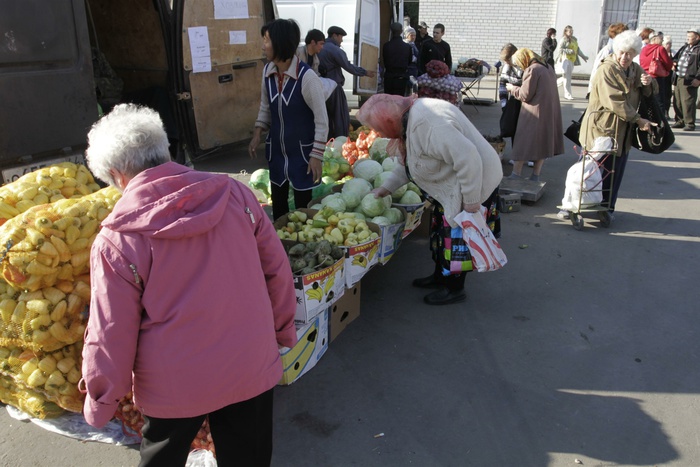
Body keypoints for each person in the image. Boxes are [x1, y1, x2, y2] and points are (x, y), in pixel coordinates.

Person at [80, 104, 298, 466]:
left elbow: (110, 332)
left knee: (163, 458)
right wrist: (283, 329)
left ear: (118, 176)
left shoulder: (117, 241)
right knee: (250, 457)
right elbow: (277, 271)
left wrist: (101, 401)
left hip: (175, 386)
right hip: (250, 363)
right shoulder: (237, 195)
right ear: (166, 151)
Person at [356, 94, 502, 305]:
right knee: (441, 235)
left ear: (389, 121)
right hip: (451, 187)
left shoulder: (430, 123)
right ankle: (440, 276)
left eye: (377, 129)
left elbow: (468, 157)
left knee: (457, 240)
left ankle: (454, 288)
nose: (377, 134)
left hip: (475, 183)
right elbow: (411, 162)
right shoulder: (408, 122)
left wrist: (471, 201)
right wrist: (386, 188)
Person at [562, 30, 656, 220]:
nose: (625, 56)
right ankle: (572, 206)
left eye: (630, 53)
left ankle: (606, 207)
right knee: (588, 170)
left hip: (622, 131)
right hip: (601, 128)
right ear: (616, 50)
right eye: (622, 52)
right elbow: (614, 101)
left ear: (636, 53)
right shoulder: (607, 69)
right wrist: (638, 119)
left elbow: (649, 92)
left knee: (614, 172)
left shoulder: (635, 69)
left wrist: (648, 82)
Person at [249, 20, 328, 220]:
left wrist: (317, 154)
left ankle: (302, 247)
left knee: (303, 210)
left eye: (266, 40)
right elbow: (266, 107)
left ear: (280, 42)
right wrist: (258, 132)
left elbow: (322, 120)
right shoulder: (267, 73)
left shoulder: (307, 78)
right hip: (277, 152)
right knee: (279, 208)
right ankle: (280, 248)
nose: (262, 46)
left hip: (302, 155)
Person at [505, 48, 564, 182]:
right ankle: (535, 176)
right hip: (549, 111)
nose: (520, 66)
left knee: (522, 142)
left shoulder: (533, 69)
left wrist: (512, 88)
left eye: (519, 63)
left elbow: (525, 95)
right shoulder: (547, 67)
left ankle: (516, 174)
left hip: (534, 112)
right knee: (542, 144)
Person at [318, 25, 376, 138]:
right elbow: (348, 66)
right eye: (341, 37)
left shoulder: (321, 47)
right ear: (334, 35)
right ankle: (341, 139)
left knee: (325, 116)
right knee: (340, 116)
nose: (342, 40)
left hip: (320, 86)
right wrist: (365, 72)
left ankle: (327, 139)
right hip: (334, 88)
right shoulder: (335, 50)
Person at [587, 23, 628, 98]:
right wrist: (591, 90)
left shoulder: (620, 49)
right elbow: (596, 70)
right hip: (603, 88)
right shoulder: (607, 50)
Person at [671, 28, 700, 131]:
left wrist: (698, 78)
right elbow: (675, 57)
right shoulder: (685, 47)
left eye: (690, 37)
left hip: (690, 79)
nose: (687, 39)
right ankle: (680, 120)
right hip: (679, 77)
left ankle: (690, 123)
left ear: (697, 37)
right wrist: (674, 63)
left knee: (688, 101)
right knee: (677, 101)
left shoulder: (698, 48)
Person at [639, 31, 673, 114]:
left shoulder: (644, 49)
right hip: (657, 77)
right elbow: (668, 64)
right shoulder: (660, 48)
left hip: (645, 76)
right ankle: (660, 122)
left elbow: (641, 62)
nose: (662, 40)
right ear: (655, 39)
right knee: (659, 101)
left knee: (646, 99)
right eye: (661, 38)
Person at [554, 25, 588, 100]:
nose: (571, 32)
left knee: (565, 78)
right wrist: (569, 51)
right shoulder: (564, 39)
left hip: (572, 60)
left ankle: (552, 86)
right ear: (566, 32)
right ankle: (568, 94)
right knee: (567, 78)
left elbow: (577, 49)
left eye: (572, 31)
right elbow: (560, 49)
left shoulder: (574, 39)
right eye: (569, 31)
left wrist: (583, 56)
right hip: (565, 60)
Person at [382, 22, 412, 95]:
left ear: (391, 31)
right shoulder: (407, 47)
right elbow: (409, 61)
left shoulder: (386, 46)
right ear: (401, 31)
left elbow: (385, 61)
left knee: (388, 100)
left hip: (389, 77)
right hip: (401, 77)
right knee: (399, 100)